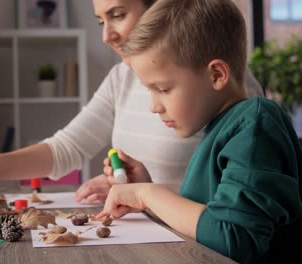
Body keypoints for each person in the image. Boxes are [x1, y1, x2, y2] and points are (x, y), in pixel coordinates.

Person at [0, 0, 263, 203]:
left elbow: (232, 214)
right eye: (101, 20)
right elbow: (65, 149)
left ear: (158, 10)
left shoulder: (222, 88)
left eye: (117, 14)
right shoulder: (121, 78)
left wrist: (146, 196)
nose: (105, 35)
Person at [96, 0, 302, 262]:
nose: (153, 106)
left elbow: (235, 239)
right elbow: (204, 230)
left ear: (216, 75)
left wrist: (147, 194)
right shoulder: (221, 128)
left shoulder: (255, 126)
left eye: (163, 89)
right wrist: (147, 190)